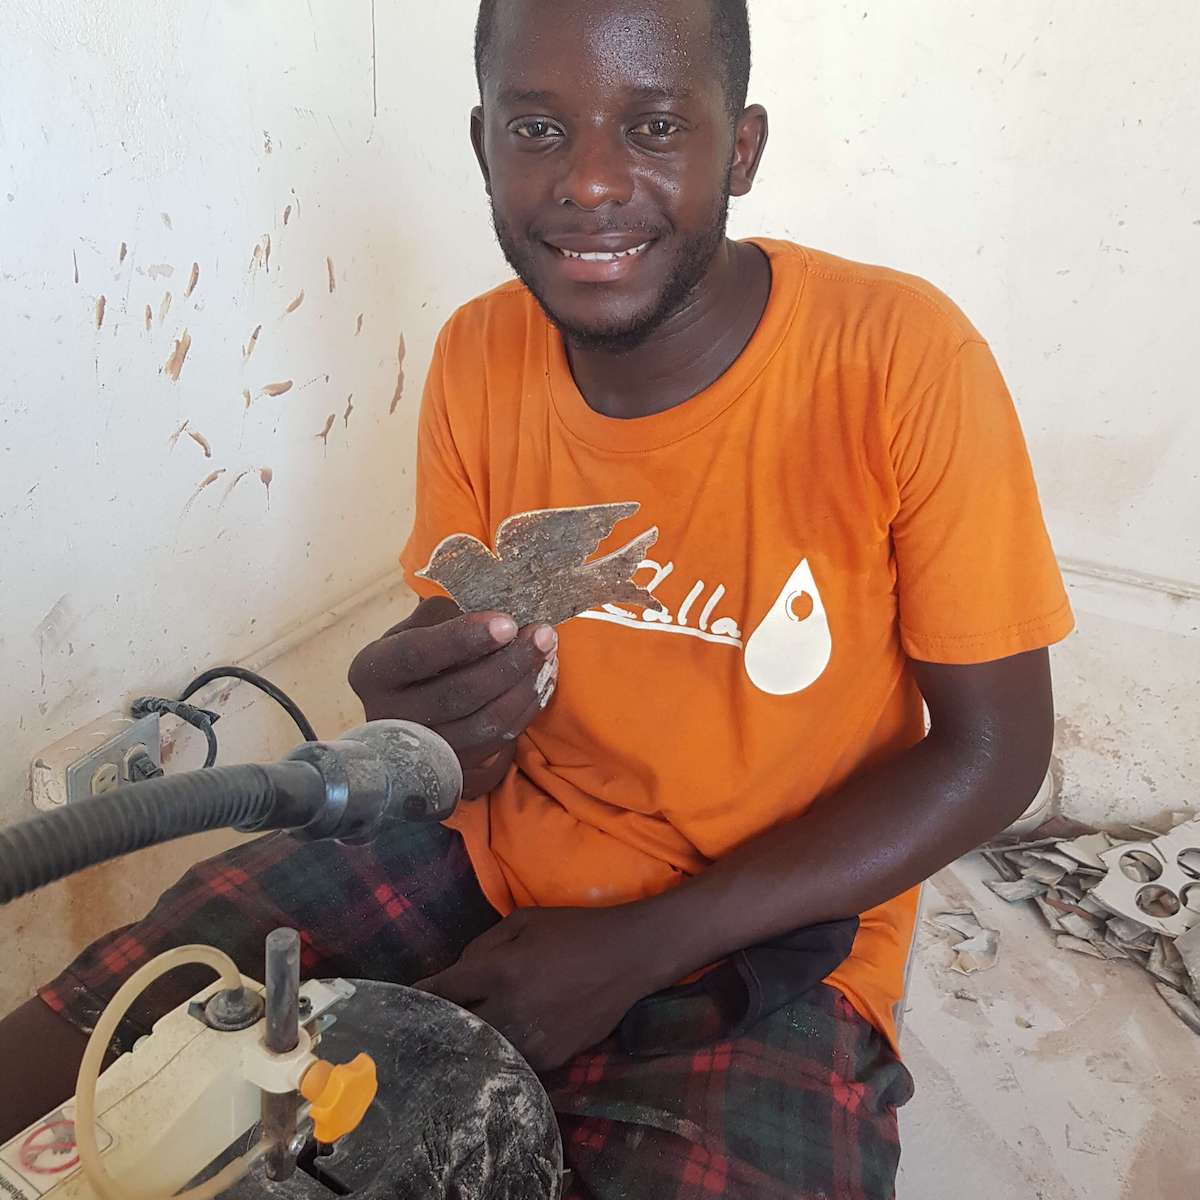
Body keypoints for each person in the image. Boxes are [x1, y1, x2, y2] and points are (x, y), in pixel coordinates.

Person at [0, 1, 1075, 1195]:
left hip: (781, 926)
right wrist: (414, 703)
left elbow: (995, 752)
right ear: (482, 148)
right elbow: (473, 665)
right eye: (538, 128)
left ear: (744, 148)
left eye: (655, 124)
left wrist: (640, 947)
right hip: (489, 853)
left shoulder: (899, 359)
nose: (593, 182)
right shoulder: (477, 355)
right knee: (126, 1011)